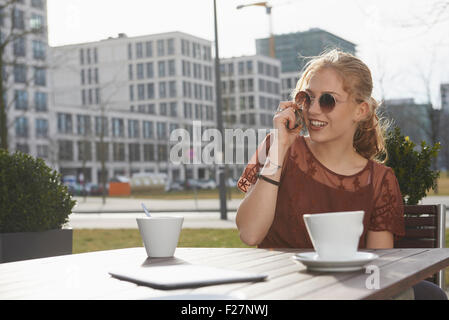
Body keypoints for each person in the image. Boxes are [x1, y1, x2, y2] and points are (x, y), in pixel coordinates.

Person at [235, 49, 447, 300]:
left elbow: (377, 273)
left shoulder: (378, 180)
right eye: (307, 98)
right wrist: (279, 151)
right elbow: (250, 233)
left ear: (361, 110)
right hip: (280, 291)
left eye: (327, 100)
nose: (313, 110)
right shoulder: (277, 148)